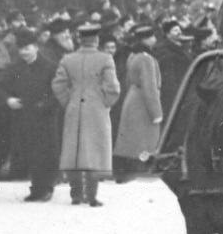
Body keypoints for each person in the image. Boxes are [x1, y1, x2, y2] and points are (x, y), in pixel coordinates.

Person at [51, 23, 120, 206]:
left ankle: (75, 194)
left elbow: (58, 84)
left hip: (74, 107)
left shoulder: (67, 59)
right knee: (94, 151)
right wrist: (106, 103)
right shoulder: (105, 59)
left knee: (74, 151)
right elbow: (113, 88)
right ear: (96, 40)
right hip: (96, 108)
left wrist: (68, 101)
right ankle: (91, 196)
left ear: (80, 40)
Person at [0, 28, 62, 202]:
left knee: (47, 152)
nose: (24, 52)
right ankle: (36, 188)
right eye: (21, 49)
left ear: (36, 47)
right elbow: (2, 87)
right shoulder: (15, 67)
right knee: (31, 152)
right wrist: (9, 99)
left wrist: (45, 105)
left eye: (27, 48)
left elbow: (58, 92)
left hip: (45, 117)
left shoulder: (50, 66)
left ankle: (47, 187)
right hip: (24, 116)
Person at [112, 25, 164, 182]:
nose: (155, 39)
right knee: (144, 141)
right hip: (143, 103)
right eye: (152, 36)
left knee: (130, 140)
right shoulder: (146, 59)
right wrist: (156, 112)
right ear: (147, 39)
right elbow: (150, 87)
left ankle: (123, 172)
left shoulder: (133, 56)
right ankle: (139, 172)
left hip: (133, 99)